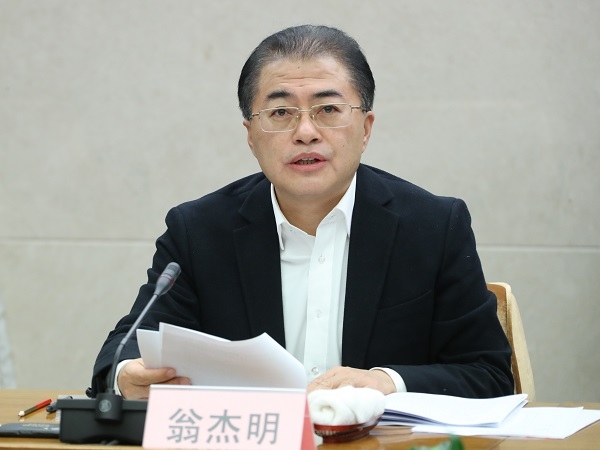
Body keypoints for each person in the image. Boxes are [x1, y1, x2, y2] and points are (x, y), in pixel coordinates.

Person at [91, 24, 514, 400]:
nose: (306, 132)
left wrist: (388, 382)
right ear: (251, 136)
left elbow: (488, 374)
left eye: (328, 110)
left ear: (365, 129)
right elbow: (126, 347)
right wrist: (126, 375)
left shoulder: (432, 226)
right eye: (280, 113)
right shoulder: (199, 231)